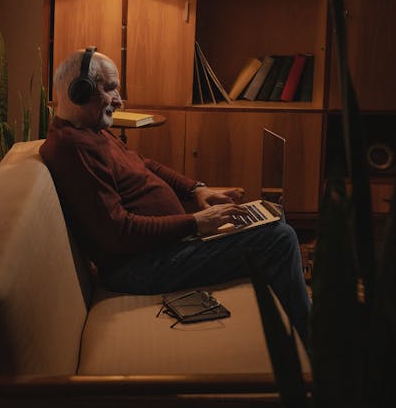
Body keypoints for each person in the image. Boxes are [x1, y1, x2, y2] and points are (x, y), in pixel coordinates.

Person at [40, 48, 311, 341]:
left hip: (166, 246)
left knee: (272, 216)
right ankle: (309, 343)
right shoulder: (74, 149)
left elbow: (143, 164)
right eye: (110, 89)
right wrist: (196, 222)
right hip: (142, 267)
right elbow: (119, 232)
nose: (119, 100)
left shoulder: (91, 131)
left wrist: (196, 189)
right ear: (81, 91)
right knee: (279, 239)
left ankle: (292, 321)